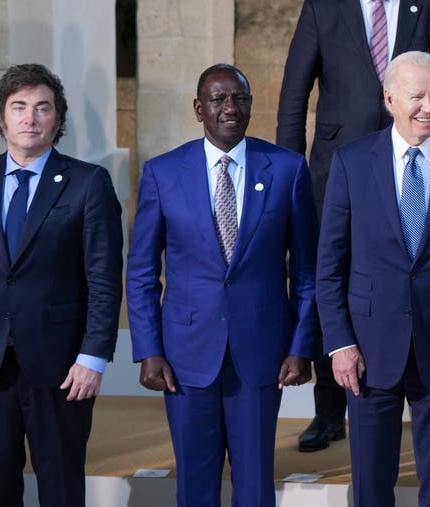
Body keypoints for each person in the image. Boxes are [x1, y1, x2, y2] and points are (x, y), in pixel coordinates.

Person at [276, 0, 430, 451]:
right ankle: (330, 409)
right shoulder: (321, 10)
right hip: (340, 173)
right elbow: (294, 98)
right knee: (329, 278)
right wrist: (292, 172)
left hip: (422, 171)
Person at [127, 64, 318, 507]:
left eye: (240, 99)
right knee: (195, 487)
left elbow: (307, 270)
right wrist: (148, 349)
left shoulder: (287, 170)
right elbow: (140, 273)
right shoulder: (163, 173)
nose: (230, 108)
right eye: (218, 100)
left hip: (261, 355)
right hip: (184, 355)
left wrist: (300, 345)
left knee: (254, 486)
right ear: (199, 109)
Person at [317, 51, 430, 506]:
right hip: (367, 352)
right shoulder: (352, 162)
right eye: (416, 95)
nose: (428, 106)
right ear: (389, 99)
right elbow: (330, 264)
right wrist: (340, 344)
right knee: (371, 485)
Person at [0, 64, 124, 506]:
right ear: (2, 117)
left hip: (62, 370)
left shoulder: (88, 183)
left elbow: (103, 277)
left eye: (43, 108)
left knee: (61, 488)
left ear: (57, 120)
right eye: (18, 107)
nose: (30, 118)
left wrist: (94, 356)